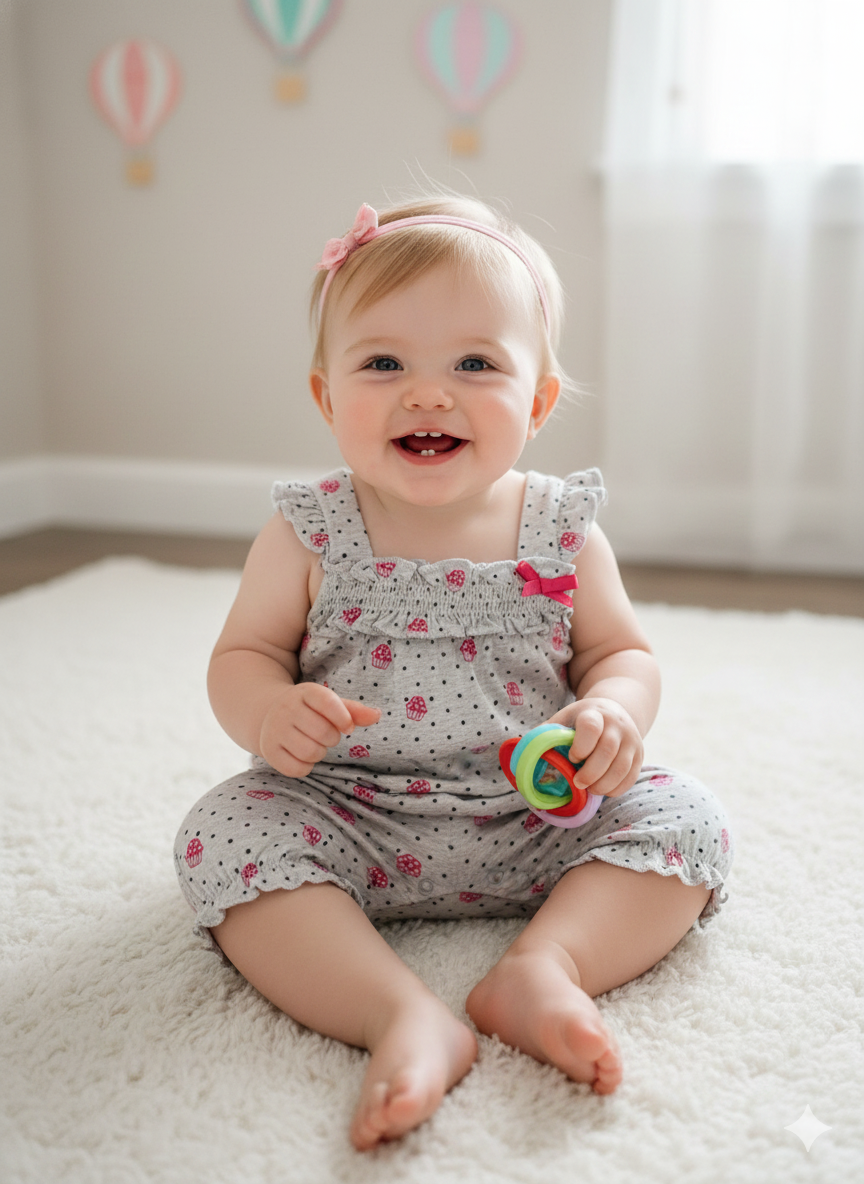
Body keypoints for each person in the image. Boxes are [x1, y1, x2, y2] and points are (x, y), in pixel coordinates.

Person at [174, 194, 733, 1150]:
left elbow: (622, 653)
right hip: (352, 813)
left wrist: (611, 712)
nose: (428, 393)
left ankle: (543, 967)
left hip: (538, 816)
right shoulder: (310, 528)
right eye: (383, 363)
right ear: (325, 396)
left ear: (539, 401)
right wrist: (268, 711)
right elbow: (243, 657)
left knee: (689, 821)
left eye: (475, 364)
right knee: (222, 834)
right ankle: (396, 1012)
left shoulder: (563, 528)